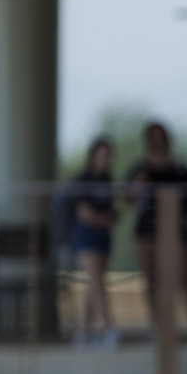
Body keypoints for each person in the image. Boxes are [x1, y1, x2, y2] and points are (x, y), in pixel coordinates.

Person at [124, 121, 187, 346]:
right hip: (148, 231)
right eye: (153, 137)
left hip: (177, 231)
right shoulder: (140, 169)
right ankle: (158, 327)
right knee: (152, 279)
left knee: (183, 278)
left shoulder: (180, 168)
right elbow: (127, 199)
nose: (157, 142)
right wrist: (138, 186)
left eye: (160, 137)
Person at [67, 137, 120, 349]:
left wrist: (106, 218)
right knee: (97, 281)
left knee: (93, 283)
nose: (106, 158)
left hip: (103, 236)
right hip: (85, 236)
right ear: (94, 154)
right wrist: (103, 219)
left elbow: (113, 212)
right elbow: (85, 214)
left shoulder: (107, 178)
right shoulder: (84, 179)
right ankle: (108, 327)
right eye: (102, 153)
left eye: (108, 154)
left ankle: (82, 332)